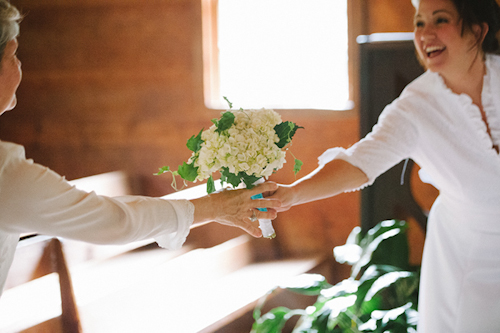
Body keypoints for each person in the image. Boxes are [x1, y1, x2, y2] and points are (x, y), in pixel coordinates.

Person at [0, 0, 280, 298]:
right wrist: (216, 206)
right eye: (13, 53)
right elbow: (114, 220)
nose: (19, 64)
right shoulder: (7, 174)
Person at [269, 0, 500, 331]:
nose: (426, 34)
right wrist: (290, 195)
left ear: (477, 29)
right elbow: (359, 162)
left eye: (441, 20)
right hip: (467, 258)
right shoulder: (414, 107)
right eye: (419, 23)